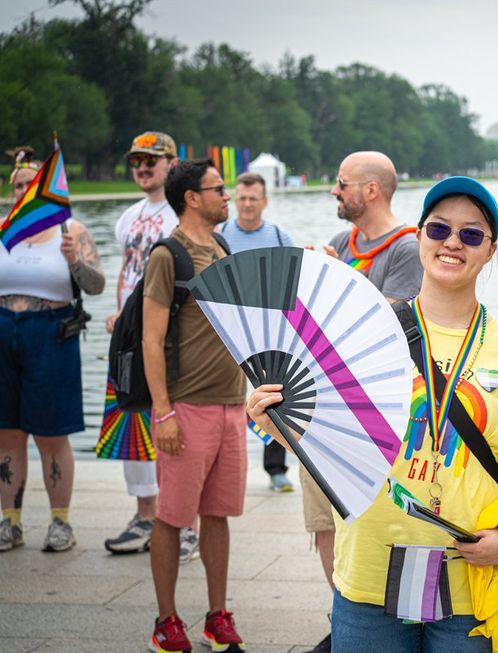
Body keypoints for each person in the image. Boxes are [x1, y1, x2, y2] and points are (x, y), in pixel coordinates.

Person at [248, 176, 498, 653]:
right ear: (418, 236)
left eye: (471, 234)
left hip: (470, 580)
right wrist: (275, 425)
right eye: (439, 229)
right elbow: (329, 444)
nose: (453, 243)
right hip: (370, 570)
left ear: (490, 250)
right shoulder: (363, 333)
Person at [300, 151, 423, 653]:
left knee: (367, 521)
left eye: (341, 182)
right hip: (321, 407)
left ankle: (377, 620)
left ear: (371, 190)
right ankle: (343, 613)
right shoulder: (337, 243)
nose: (334, 190)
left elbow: (394, 325)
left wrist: (338, 280)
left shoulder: (408, 248)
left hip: (372, 414)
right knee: (323, 525)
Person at [144, 159, 247, 653]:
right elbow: (150, 339)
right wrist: (162, 411)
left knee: (218, 514)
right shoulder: (169, 256)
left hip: (231, 404)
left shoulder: (222, 246)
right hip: (185, 408)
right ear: (191, 197)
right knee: (171, 516)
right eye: (218, 188)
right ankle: (166, 620)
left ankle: (216, 615)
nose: (226, 195)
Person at [103, 131, 202, 562]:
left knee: (177, 427)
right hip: (131, 336)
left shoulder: (178, 215)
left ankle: (186, 525)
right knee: (135, 424)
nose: (143, 167)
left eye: (152, 160)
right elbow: (127, 271)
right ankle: (146, 515)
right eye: (136, 161)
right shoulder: (127, 217)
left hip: (168, 337)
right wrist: (118, 314)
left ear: (171, 164)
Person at [0, 159, 106, 553]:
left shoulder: (70, 230)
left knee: (51, 432)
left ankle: (60, 521)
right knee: (7, 432)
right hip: (4, 329)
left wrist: (73, 260)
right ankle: (10, 521)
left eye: (33, 184)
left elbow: (95, 285)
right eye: (18, 185)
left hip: (51, 332)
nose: (24, 191)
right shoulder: (3, 228)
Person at [219, 171, 296, 494]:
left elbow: (293, 287)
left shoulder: (280, 238)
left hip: (269, 335)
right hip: (227, 334)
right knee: (225, 402)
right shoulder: (218, 236)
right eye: (242, 198)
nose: (247, 204)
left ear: (264, 201)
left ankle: (276, 469)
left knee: (274, 400)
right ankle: (223, 466)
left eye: (253, 199)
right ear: (235, 200)